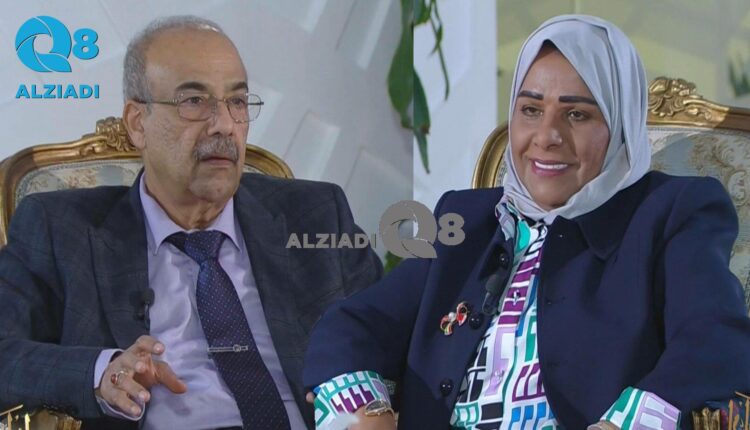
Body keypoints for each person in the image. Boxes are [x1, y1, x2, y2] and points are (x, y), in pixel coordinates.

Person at [303, 14, 750, 430]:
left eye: (577, 114)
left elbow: (714, 341)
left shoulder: (670, 212)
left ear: (619, 124)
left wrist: (622, 425)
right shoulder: (468, 218)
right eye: (531, 110)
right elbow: (356, 323)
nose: (547, 136)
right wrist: (368, 412)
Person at [0, 16, 382, 430]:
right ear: (137, 123)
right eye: (194, 101)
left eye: (237, 102)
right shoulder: (61, 229)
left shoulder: (314, 213)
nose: (225, 125)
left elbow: (395, 335)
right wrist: (102, 371)